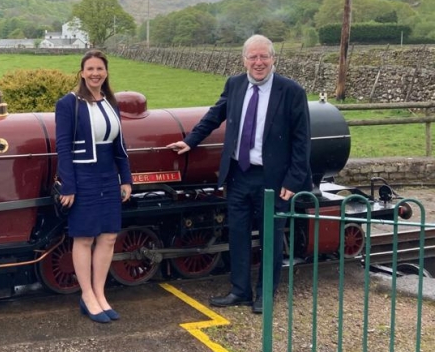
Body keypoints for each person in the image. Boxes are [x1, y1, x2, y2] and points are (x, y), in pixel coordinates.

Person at [166, 34, 311, 314]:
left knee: (270, 238)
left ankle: (264, 296)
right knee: (238, 235)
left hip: (272, 179)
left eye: (263, 56)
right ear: (244, 59)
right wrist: (190, 140)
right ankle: (240, 291)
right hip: (237, 175)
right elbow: (214, 115)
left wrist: (293, 181)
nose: (258, 62)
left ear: (273, 59)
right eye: (253, 57)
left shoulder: (291, 91)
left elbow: (302, 140)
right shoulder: (234, 84)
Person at [55, 49, 133, 323]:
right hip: (83, 176)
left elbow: (119, 145)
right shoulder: (69, 103)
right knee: (84, 237)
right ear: (82, 72)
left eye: (100, 68)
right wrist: (69, 185)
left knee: (109, 236)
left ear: (106, 72)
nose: (95, 73)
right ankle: (87, 295)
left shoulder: (112, 102)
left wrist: (126, 179)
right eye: (90, 69)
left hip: (108, 176)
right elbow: (63, 148)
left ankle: (100, 294)